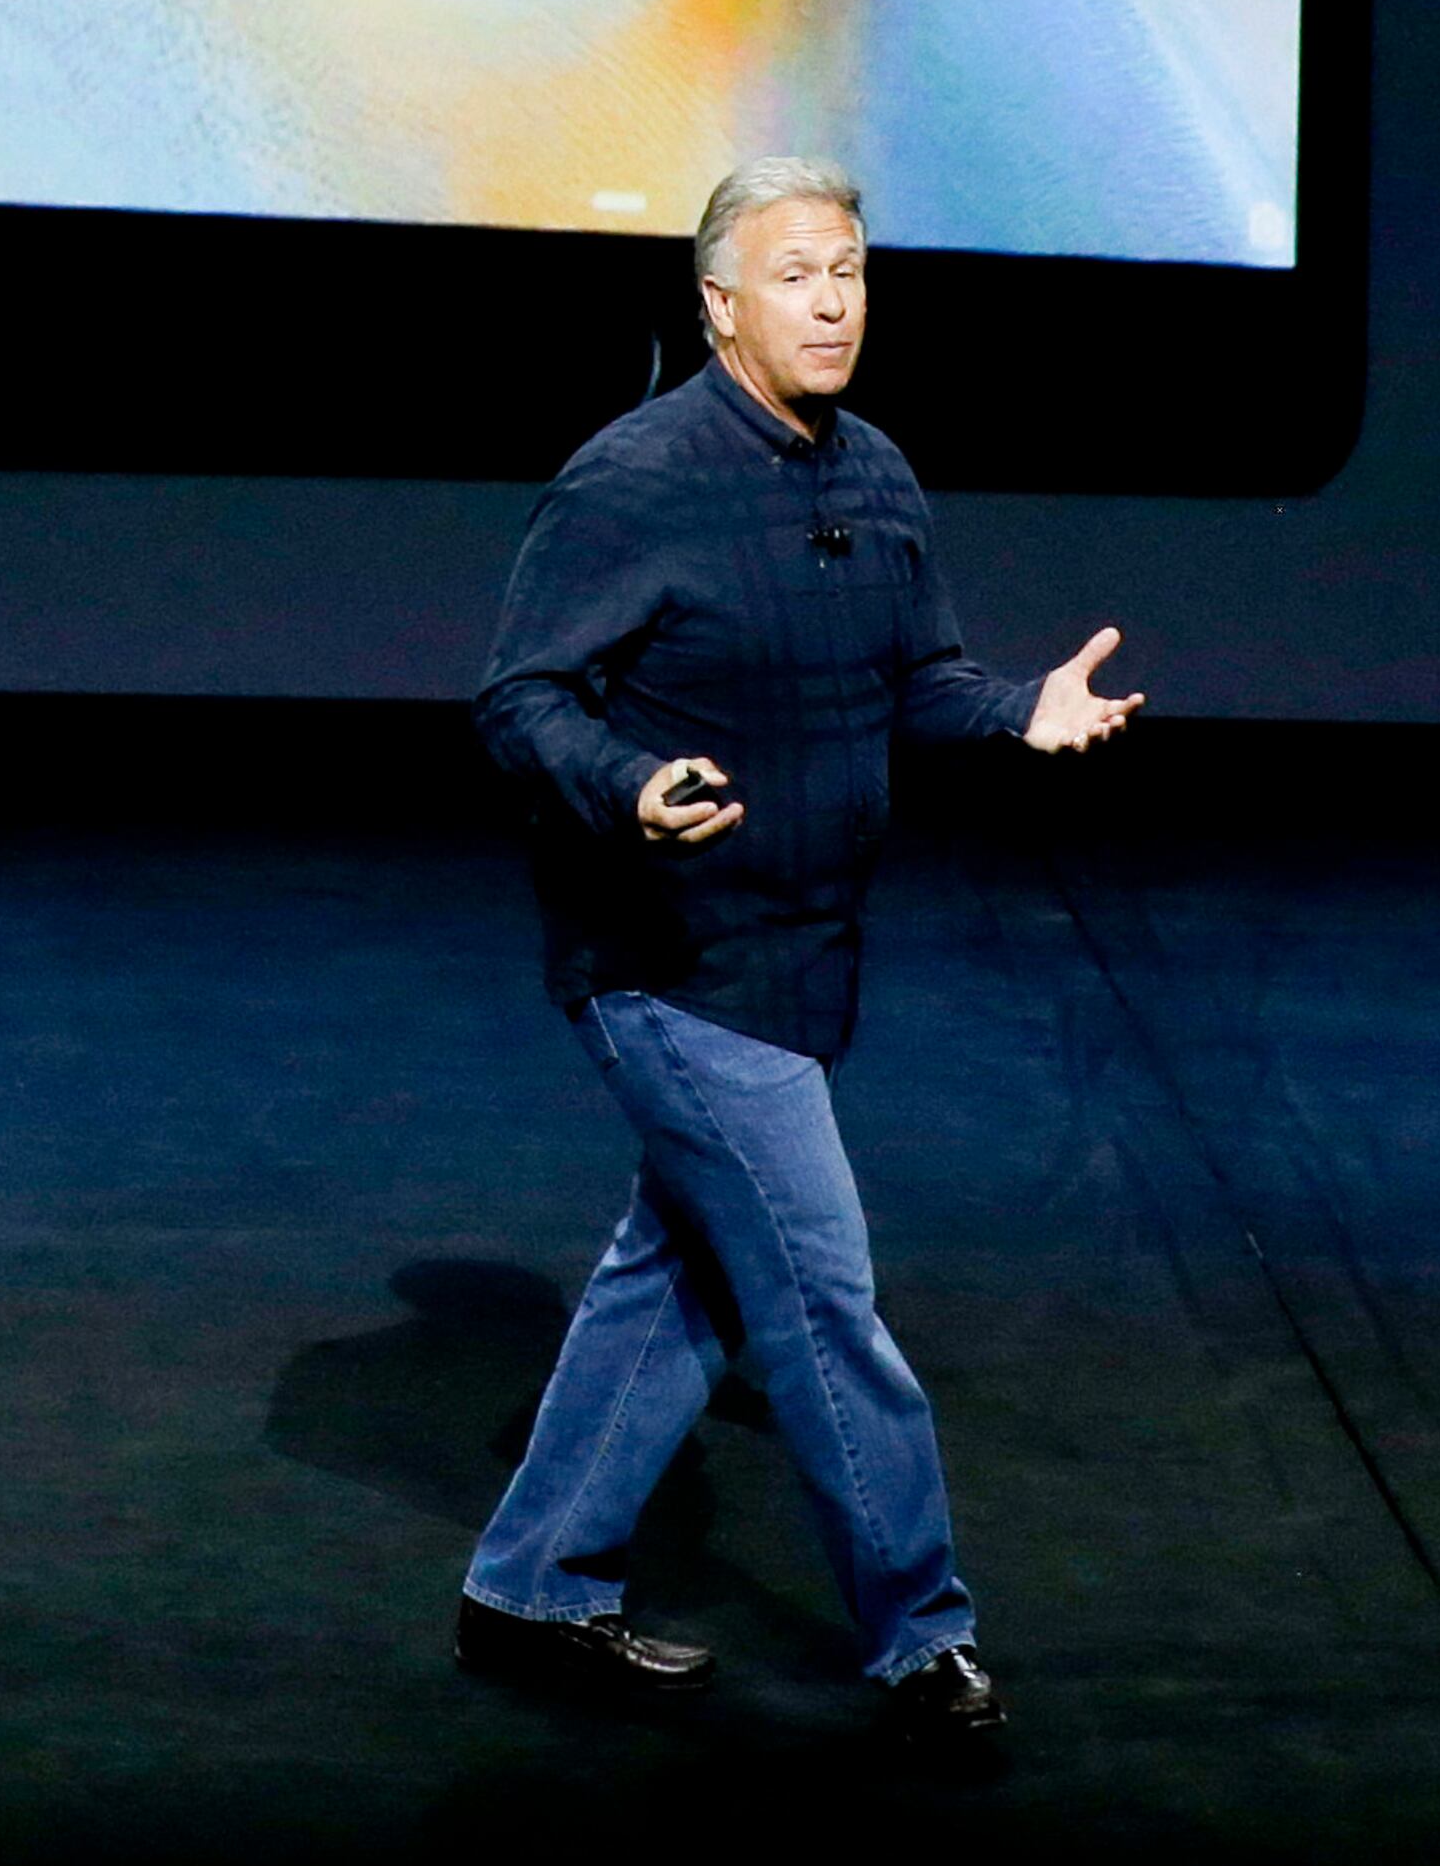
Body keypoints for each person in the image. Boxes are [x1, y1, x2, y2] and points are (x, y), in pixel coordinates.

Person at [458, 159, 1142, 1751]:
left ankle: (531, 1581)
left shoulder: (880, 472)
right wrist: (629, 784)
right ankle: (920, 1635)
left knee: (684, 1277)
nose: (833, 299)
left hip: (809, 958)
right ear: (716, 304)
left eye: (849, 268)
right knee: (823, 1301)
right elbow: (519, 699)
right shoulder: (631, 480)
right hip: (670, 961)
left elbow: (923, 680)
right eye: (795, 274)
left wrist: (1019, 707)